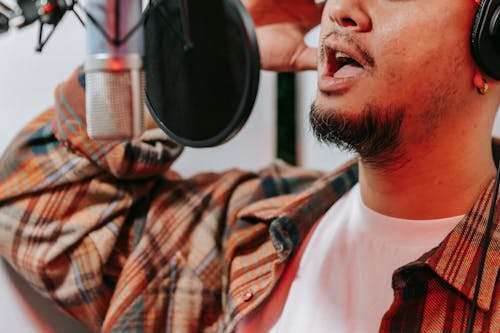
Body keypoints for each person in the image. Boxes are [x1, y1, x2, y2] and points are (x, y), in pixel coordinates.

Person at [0, 0, 498, 331]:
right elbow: (32, 206)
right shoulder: (253, 226)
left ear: (493, 41)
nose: (340, 9)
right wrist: (196, 60)